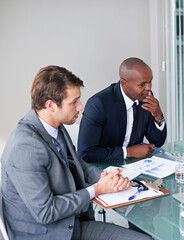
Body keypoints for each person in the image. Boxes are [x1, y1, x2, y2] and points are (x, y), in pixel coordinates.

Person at [0, 66, 152, 240]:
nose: (80, 107)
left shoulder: (55, 126)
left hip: (71, 223)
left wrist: (105, 177)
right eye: (74, 102)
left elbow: (77, 163)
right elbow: (46, 212)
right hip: (48, 234)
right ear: (50, 105)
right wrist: (96, 189)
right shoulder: (24, 147)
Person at [78, 57, 167, 163]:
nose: (148, 88)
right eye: (142, 84)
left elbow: (158, 142)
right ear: (124, 83)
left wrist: (158, 115)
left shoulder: (145, 97)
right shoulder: (99, 104)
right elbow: (86, 154)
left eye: (150, 82)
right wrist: (128, 152)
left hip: (134, 166)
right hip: (103, 168)